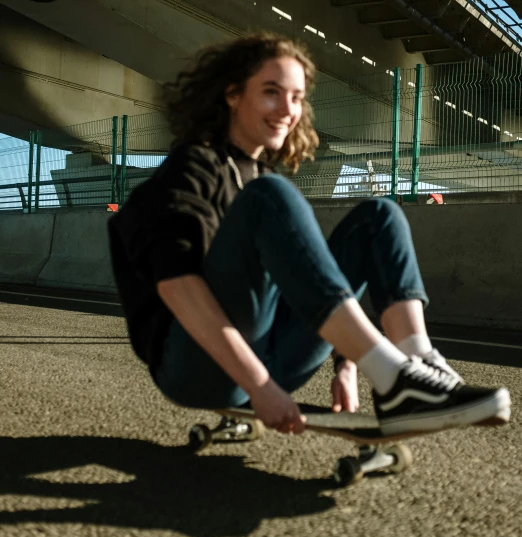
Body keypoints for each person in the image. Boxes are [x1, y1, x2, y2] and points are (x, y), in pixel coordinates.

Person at [108, 33, 510, 436]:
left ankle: (418, 367)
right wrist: (259, 385)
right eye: (271, 92)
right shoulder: (193, 168)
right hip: (193, 367)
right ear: (232, 95)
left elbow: (312, 279)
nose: (288, 109)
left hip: (275, 356)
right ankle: (393, 375)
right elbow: (178, 287)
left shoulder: (263, 180)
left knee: (379, 215)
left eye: (297, 97)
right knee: (270, 195)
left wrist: (346, 365)